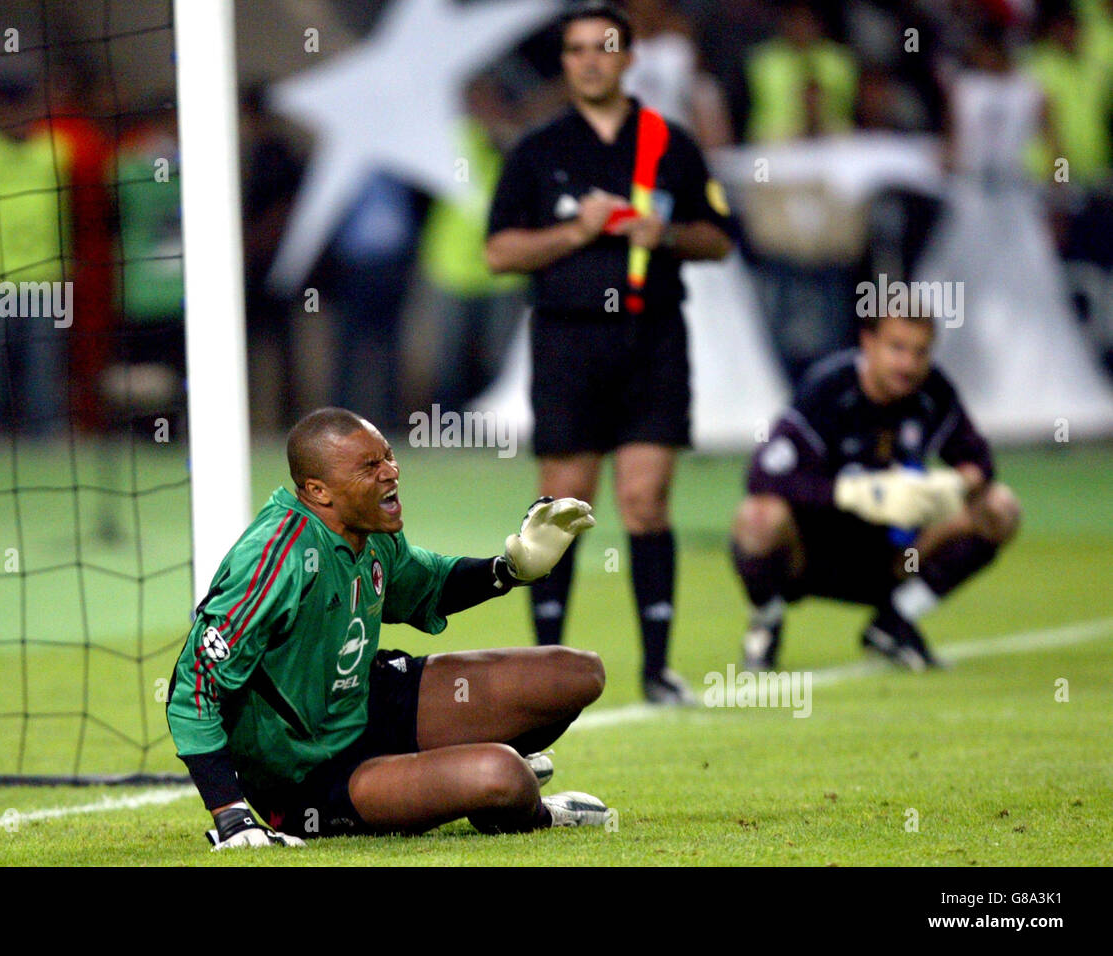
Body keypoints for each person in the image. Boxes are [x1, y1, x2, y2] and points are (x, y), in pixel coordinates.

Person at [166, 407, 608, 848]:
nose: (391, 472)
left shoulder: (370, 529)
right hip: (308, 773)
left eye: (388, 456)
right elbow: (194, 687)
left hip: (368, 698)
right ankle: (517, 801)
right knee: (503, 775)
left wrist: (509, 570)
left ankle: (455, 778)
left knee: (576, 674)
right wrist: (232, 814)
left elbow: (426, 584)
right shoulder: (274, 557)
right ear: (319, 491)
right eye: (369, 466)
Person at [485, 0, 733, 705]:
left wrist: (669, 234)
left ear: (628, 58)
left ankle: (657, 668)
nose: (590, 59)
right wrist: (574, 234)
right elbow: (498, 251)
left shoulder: (669, 144)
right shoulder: (537, 151)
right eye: (575, 49)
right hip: (567, 341)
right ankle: (545, 668)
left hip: (652, 337)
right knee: (564, 503)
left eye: (604, 46)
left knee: (645, 500)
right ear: (564, 62)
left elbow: (719, 237)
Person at [730, 309, 1022, 671]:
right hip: (812, 558)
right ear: (868, 343)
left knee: (999, 507)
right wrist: (855, 493)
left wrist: (955, 484)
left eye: (920, 352)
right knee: (758, 517)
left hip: (895, 558)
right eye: (897, 348)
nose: (909, 364)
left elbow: (979, 460)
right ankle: (766, 623)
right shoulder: (828, 389)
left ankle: (894, 621)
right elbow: (763, 475)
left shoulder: (932, 391)